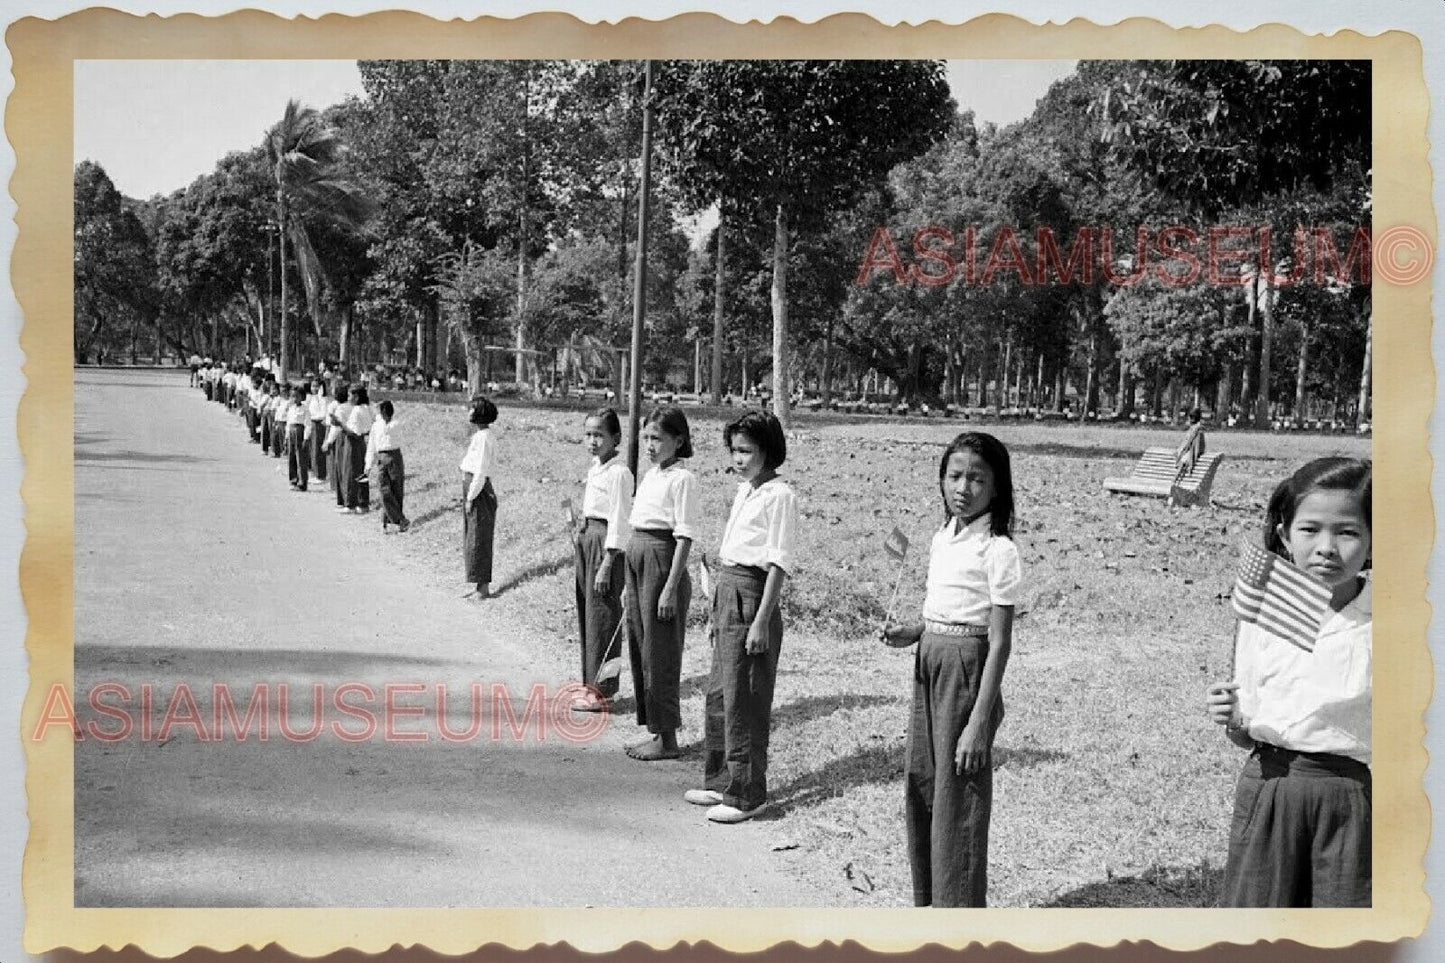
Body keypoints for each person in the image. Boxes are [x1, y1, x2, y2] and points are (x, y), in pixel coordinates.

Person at [1206, 457, 1372, 907]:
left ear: (1375, 540)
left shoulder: (1388, 620)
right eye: (1310, 530)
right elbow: (1248, 731)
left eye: (1348, 532)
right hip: (1269, 789)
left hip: (1350, 802)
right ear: (1284, 535)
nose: (1327, 548)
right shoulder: (1264, 613)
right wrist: (1233, 719)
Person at [881, 431, 1020, 907]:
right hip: (929, 664)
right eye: (954, 476)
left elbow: (998, 639)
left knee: (959, 796)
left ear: (996, 487)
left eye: (977, 479)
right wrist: (915, 631)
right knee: (925, 784)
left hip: (967, 673)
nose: (963, 487)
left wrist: (979, 721)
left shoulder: (998, 550)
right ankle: (930, 906)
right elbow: (944, 608)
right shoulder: (943, 536)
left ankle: (959, 920)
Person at [685, 410, 797, 823]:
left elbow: (778, 564)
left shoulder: (780, 496)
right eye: (734, 450)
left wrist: (762, 620)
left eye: (747, 450)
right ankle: (719, 780)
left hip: (753, 595)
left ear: (768, 451)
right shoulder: (744, 490)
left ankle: (748, 793)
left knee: (746, 698)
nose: (739, 458)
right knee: (720, 694)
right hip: (726, 591)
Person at [623, 405, 699, 762]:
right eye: (647, 438)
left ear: (678, 441)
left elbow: (684, 537)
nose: (650, 445)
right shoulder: (651, 475)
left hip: (661, 560)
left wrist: (670, 586)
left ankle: (668, 738)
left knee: (661, 650)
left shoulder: (682, 479)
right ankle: (653, 728)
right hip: (637, 556)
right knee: (641, 647)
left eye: (658, 438)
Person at [571, 408, 632, 713]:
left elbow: (620, 521)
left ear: (616, 438)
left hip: (606, 545)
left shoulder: (620, 473)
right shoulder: (596, 467)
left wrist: (608, 562)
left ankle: (604, 690)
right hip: (587, 538)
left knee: (604, 617)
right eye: (588, 434)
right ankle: (589, 683)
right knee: (588, 613)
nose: (592, 441)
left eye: (599, 435)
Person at [459, 397, 500, 598]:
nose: (468, 412)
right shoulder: (480, 436)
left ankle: (483, 587)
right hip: (473, 487)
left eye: (472, 409)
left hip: (479, 489)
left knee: (479, 537)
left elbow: (481, 471)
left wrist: (471, 496)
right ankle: (476, 583)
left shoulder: (484, 437)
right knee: (472, 536)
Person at [366, 399, 409, 533]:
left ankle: (393, 523)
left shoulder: (395, 424)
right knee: (384, 491)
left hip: (394, 456)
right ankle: (399, 519)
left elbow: (392, 433)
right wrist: (368, 465)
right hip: (382, 457)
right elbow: (371, 445)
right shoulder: (376, 426)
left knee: (396, 490)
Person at [341, 385, 374, 514]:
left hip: (353, 442)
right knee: (361, 472)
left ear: (356, 397)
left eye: (350, 395)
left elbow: (353, 432)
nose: (348, 398)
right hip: (362, 442)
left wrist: (340, 424)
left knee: (351, 472)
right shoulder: (366, 408)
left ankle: (350, 504)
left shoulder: (356, 411)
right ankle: (363, 503)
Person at [329, 383, 355, 511]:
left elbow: (335, 428)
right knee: (349, 468)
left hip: (341, 438)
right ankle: (347, 499)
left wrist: (328, 442)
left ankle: (343, 500)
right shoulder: (352, 407)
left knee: (341, 468)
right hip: (352, 437)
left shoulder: (340, 409)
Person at [286, 384, 312, 492]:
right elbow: (288, 423)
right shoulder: (291, 409)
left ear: (302, 397)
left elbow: (308, 425)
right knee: (291, 457)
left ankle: (302, 483)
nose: (294, 399)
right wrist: (286, 437)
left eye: (297, 396)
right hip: (291, 431)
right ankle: (293, 479)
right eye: (292, 396)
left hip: (300, 432)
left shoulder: (305, 409)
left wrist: (306, 438)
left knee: (301, 458)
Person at [308, 377, 329, 485]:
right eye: (313, 386)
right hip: (312, 423)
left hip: (319, 424)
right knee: (312, 449)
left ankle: (320, 475)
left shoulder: (322, 399)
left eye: (317, 386)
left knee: (318, 449)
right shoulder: (312, 398)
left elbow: (324, 413)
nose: (314, 388)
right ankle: (315, 472)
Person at [1176, 407, 1207, 479]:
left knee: (1183, 460)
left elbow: (1190, 442)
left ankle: (1174, 481)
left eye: (1191, 418)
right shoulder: (1195, 428)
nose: (1189, 420)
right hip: (1190, 451)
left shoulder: (1196, 429)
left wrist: (1182, 450)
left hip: (1191, 452)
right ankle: (1174, 481)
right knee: (1183, 459)